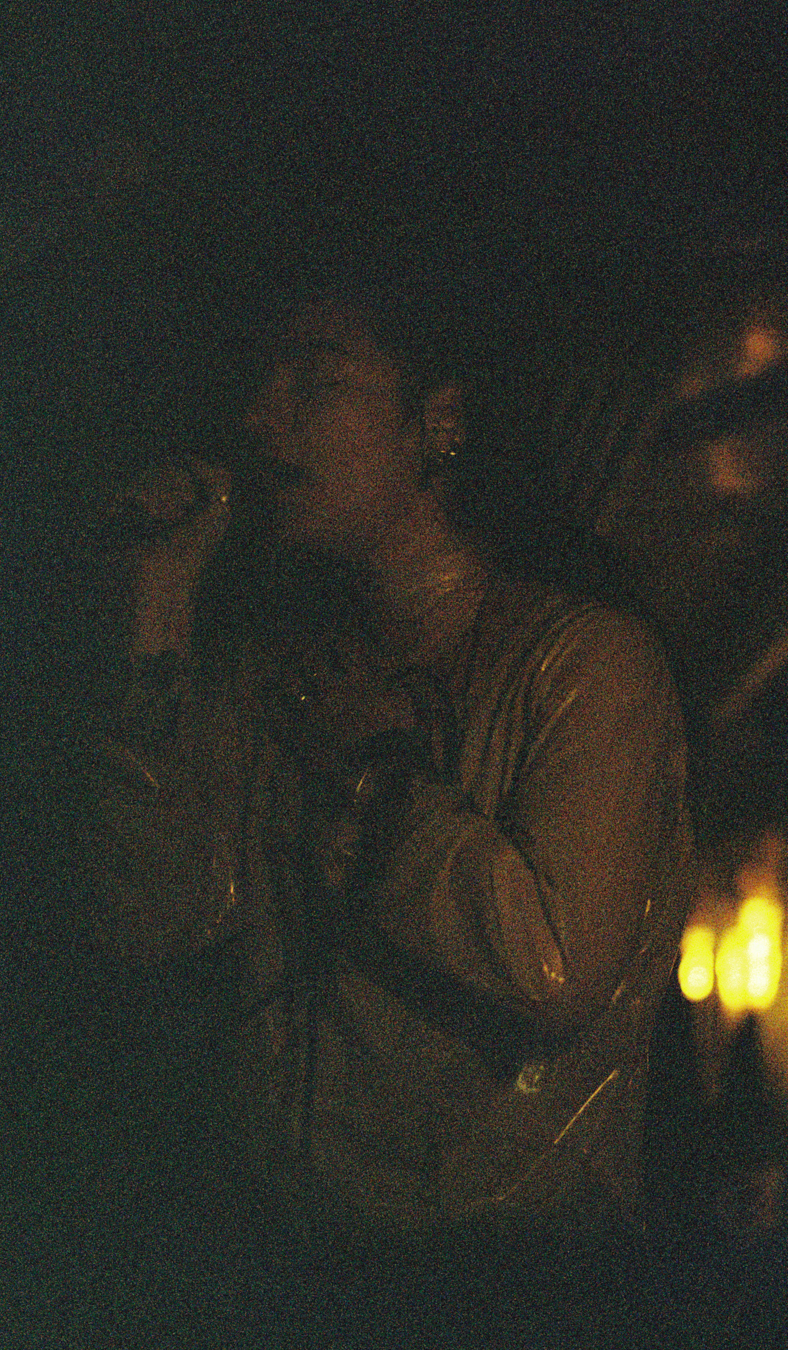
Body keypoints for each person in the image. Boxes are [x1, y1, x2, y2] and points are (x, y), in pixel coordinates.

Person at [42, 283, 694, 1335]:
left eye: (315, 379)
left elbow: (555, 963)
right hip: (295, 1288)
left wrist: (379, 779)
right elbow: (146, 916)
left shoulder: (584, 661)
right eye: (261, 382)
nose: (261, 418)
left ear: (438, 421)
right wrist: (158, 606)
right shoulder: (280, 671)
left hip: (513, 1298)